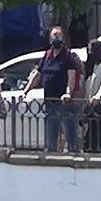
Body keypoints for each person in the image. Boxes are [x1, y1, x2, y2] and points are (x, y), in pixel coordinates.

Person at [36, 26, 81, 154]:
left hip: (64, 103)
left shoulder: (68, 56)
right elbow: (38, 74)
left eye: (59, 36)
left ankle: (73, 153)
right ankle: (51, 153)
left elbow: (71, 77)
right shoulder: (47, 55)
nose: (56, 38)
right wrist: (26, 91)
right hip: (50, 101)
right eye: (54, 36)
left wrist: (68, 93)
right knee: (51, 133)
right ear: (50, 39)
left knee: (70, 131)